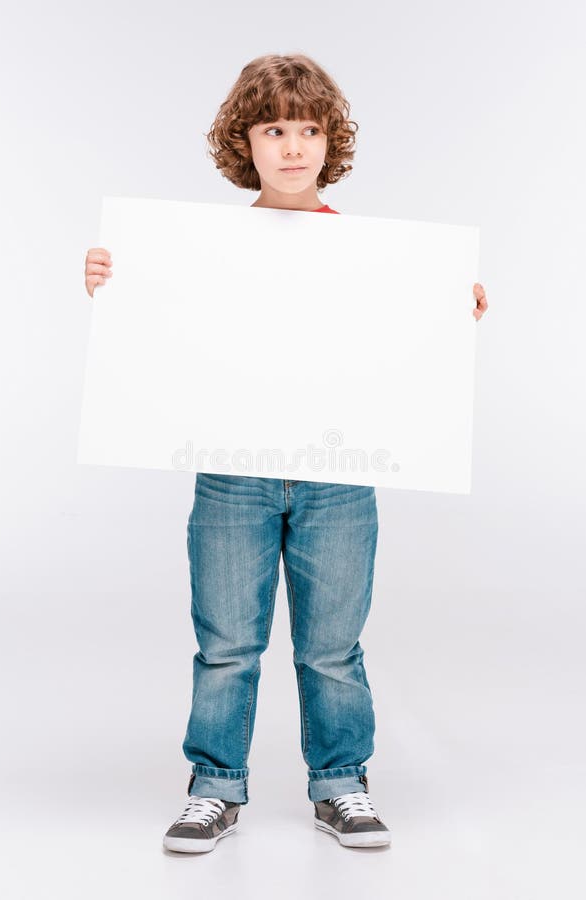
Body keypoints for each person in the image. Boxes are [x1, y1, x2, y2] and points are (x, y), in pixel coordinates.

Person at [84, 53, 489, 854]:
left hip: (339, 477)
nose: (294, 147)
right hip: (232, 472)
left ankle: (340, 783)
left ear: (329, 140)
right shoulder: (198, 246)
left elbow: (396, 350)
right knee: (226, 644)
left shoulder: (378, 255)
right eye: (274, 129)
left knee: (331, 647)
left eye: (308, 129)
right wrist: (113, 281)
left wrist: (448, 312)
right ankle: (215, 787)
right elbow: (163, 332)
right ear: (247, 140)